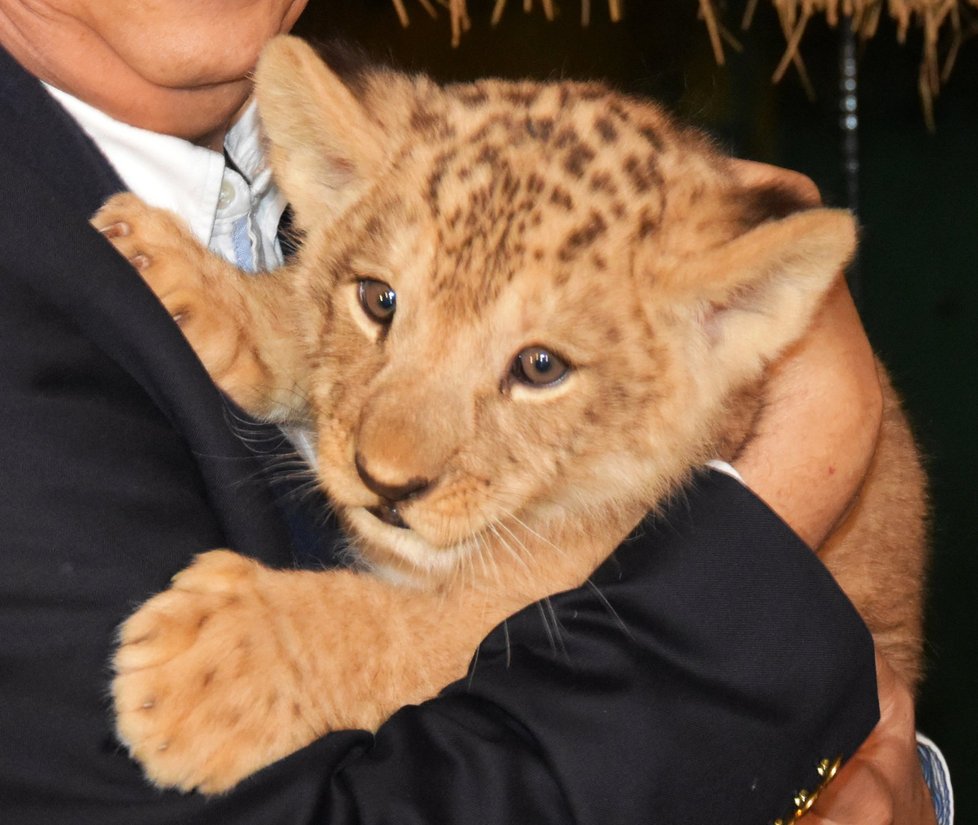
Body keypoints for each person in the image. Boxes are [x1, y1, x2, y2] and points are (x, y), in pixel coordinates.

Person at [0, 1, 947, 823]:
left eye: (536, 362)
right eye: (377, 302)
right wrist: (802, 463)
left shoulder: (413, 145)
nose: (391, 456)